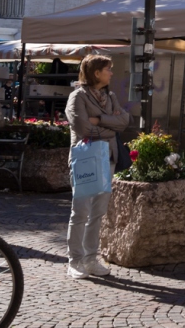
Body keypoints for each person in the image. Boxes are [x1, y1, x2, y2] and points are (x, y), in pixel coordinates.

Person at [64, 54, 130, 279]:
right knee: (80, 210)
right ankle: (75, 260)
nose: (111, 72)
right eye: (108, 69)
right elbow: (82, 127)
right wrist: (110, 126)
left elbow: (124, 121)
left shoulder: (109, 96)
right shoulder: (77, 97)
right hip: (84, 158)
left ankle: (91, 259)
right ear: (96, 73)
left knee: (98, 212)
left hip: (107, 157)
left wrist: (100, 120)